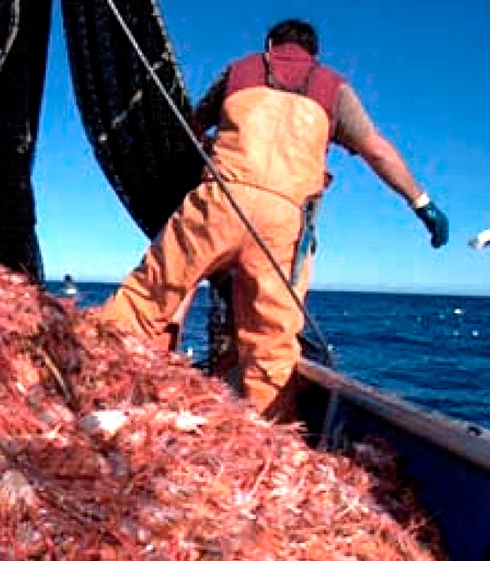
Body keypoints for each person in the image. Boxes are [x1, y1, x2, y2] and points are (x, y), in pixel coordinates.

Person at [100, 19, 448, 419]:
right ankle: (271, 436)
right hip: (284, 222)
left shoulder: (241, 70)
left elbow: (194, 127)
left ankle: (89, 380)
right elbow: (377, 151)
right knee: (271, 346)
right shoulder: (334, 87)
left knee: (147, 297)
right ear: (313, 53)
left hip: (221, 199)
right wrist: (421, 203)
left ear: (269, 44)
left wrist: (207, 147)